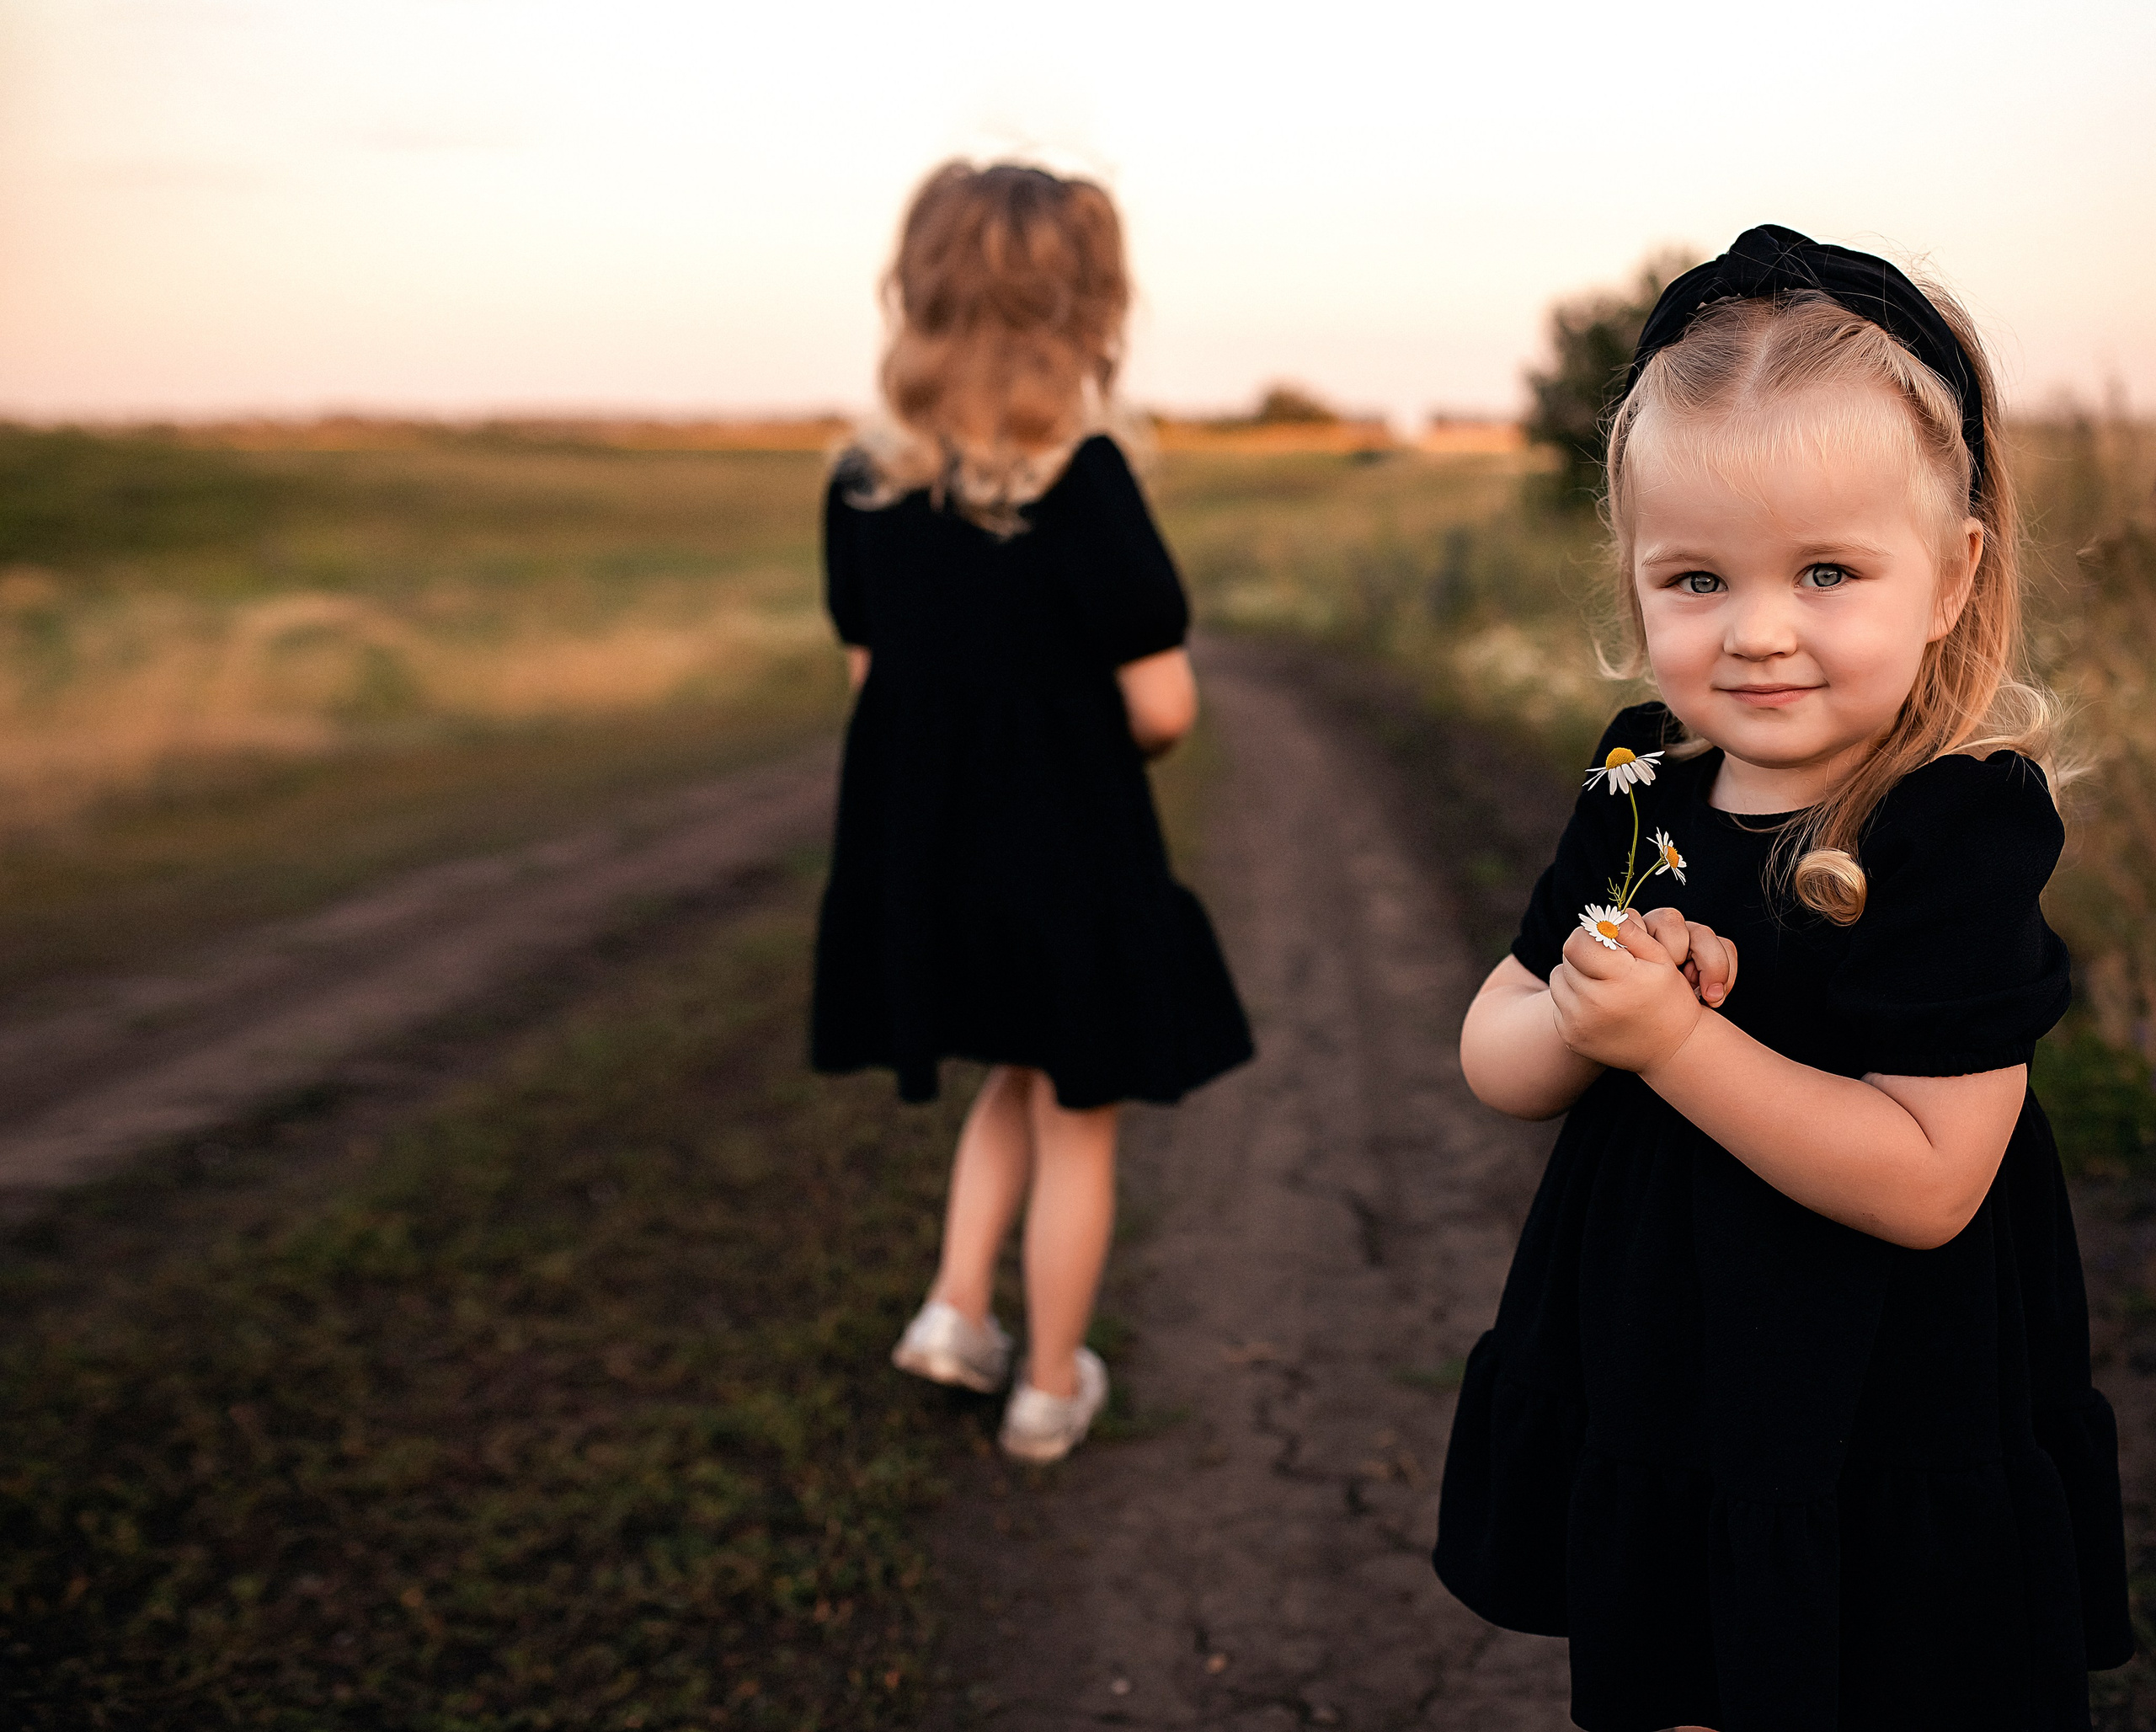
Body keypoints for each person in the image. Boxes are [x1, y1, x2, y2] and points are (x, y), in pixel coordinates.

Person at [1433, 227, 2132, 1730]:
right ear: (1633, 578)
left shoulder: (1952, 824)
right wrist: (1584, 1007)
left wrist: (1676, 1045)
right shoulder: (1639, 784)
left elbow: (1933, 1178)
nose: (1757, 631)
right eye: (1696, 576)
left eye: (1827, 570)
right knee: (1679, 1678)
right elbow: (1493, 1054)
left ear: (1949, 577)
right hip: (1665, 1375)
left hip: (1888, 1403)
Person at [811, 162, 1253, 1465]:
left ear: (919, 298)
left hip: (934, 859)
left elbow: (873, 685)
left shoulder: (862, 487)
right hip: (1070, 860)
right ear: (1088, 314)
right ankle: (1052, 1382)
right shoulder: (1088, 480)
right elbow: (1164, 707)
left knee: (1012, 1071)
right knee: (1079, 1116)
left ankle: (957, 1310)